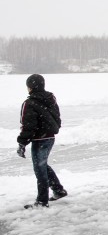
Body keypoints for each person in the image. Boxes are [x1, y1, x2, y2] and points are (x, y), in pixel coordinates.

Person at [17, 74, 67, 209]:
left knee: (39, 169)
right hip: (50, 137)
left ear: (31, 87)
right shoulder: (51, 99)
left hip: (40, 139)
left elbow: (28, 125)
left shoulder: (29, 103)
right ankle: (58, 190)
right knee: (42, 165)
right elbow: (57, 118)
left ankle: (42, 201)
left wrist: (22, 142)